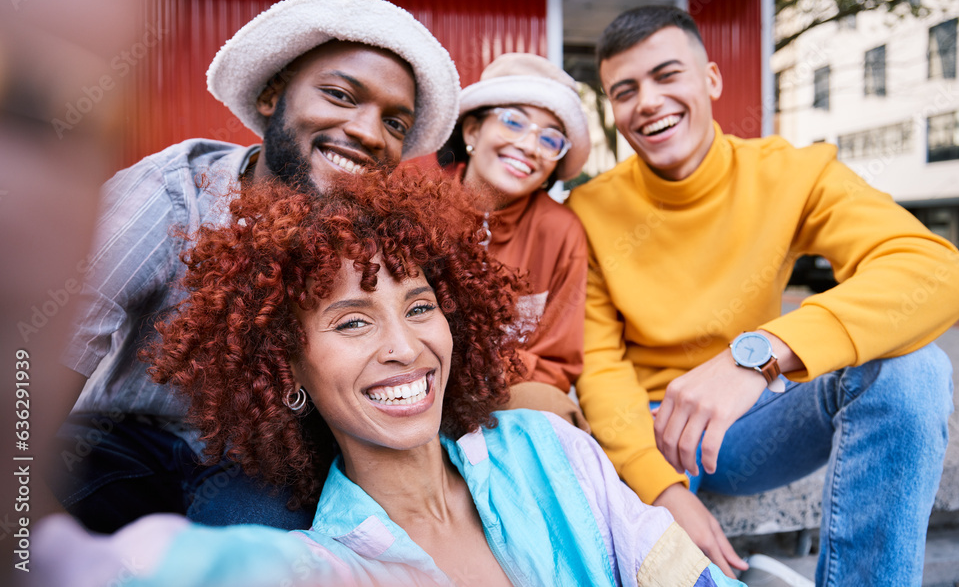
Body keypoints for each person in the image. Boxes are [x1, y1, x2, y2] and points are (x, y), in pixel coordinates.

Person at [34, 169, 745, 587]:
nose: (405, 346)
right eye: (351, 321)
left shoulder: (551, 450)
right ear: (289, 369)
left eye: (420, 306)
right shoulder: (324, 560)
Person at [565, 5, 959, 585]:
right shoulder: (588, 210)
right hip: (649, 428)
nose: (648, 102)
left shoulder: (793, 172)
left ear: (711, 79)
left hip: (752, 417)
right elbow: (600, 365)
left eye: (667, 76)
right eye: (625, 90)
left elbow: (938, 272)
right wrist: (656, 486)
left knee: (914, 369)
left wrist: (762, 353)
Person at [52, 0, 461, 533]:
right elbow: (43, 351)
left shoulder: (373, 238)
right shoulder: (172, 196)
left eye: (394, 124)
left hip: (256, 460)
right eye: (341, 95)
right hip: (122, 437)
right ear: (272, 96)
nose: (367, 132)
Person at [430, 52, 591, 430]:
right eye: (513, 121)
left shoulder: (562, 231)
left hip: (510, 403)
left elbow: (556, 364)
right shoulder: (420, 210)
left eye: (550, 138)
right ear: (472, 131)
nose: (530, 146)